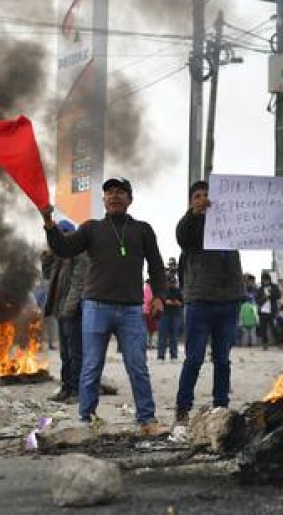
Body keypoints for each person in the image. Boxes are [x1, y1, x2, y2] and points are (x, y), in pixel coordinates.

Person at [41, 177, 167, 436]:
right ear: (103, 200)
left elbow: (156, 266)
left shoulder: (143, 230)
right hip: (96, 306)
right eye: (109, 192)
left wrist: (159, 296)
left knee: (137, 366)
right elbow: (63, 248)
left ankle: (147, 419)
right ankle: (86, 419)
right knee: (91, 366)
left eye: (121, 192)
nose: (115, 196)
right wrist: (49, 224)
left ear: (130, 199)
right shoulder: (91, 228)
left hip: (132, 309)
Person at [174, 180, 247, 423]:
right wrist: (195, 213)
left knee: (222, 360)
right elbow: (182, 236)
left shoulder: (232, 221)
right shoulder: (191, 226)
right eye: (197, 196)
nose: (203, 198)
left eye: (207, 195)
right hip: (200, 302)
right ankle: (183, 407)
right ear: (191, 201)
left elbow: (262, 223)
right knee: (194, 358)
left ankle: (221, 407)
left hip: (229, 302)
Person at [42, 220, 90, 403]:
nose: (61, 235)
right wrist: (47, 257)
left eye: (65, 232)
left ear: (72, 233)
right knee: (65, 353)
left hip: (73, 311)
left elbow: (79, 283)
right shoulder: (60, 256)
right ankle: (66, 387)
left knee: (75, 352)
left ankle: (77, 390)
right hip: (60, 310)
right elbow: (47, 276)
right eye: (59, 232)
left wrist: (69, 309)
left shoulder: (80, 254)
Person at [157, 275, 184, 362]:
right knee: (162, 336)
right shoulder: (163, 291)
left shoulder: (179, 291)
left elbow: (183, 302)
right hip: (164, 315)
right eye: (170, 282)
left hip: (176, 315)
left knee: (174, 336)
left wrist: (178, 303)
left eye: (174, 282)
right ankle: (161, 356)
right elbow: (159, 301)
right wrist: (165, 302)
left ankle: (174, 356)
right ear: (166, 282)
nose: (172, 284)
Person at [256, 273, 281, 350]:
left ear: (269, 279)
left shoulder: (274, 287)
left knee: (274, 327)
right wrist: (264, 298)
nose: (265, 281)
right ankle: (265, 343)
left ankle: (279, 343)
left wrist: (270, 294)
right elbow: (257, 300)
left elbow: (278, 295)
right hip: (263, 311)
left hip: (272, 311)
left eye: (267, 279)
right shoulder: (260, 289)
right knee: (263, 328)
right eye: (264, 279)